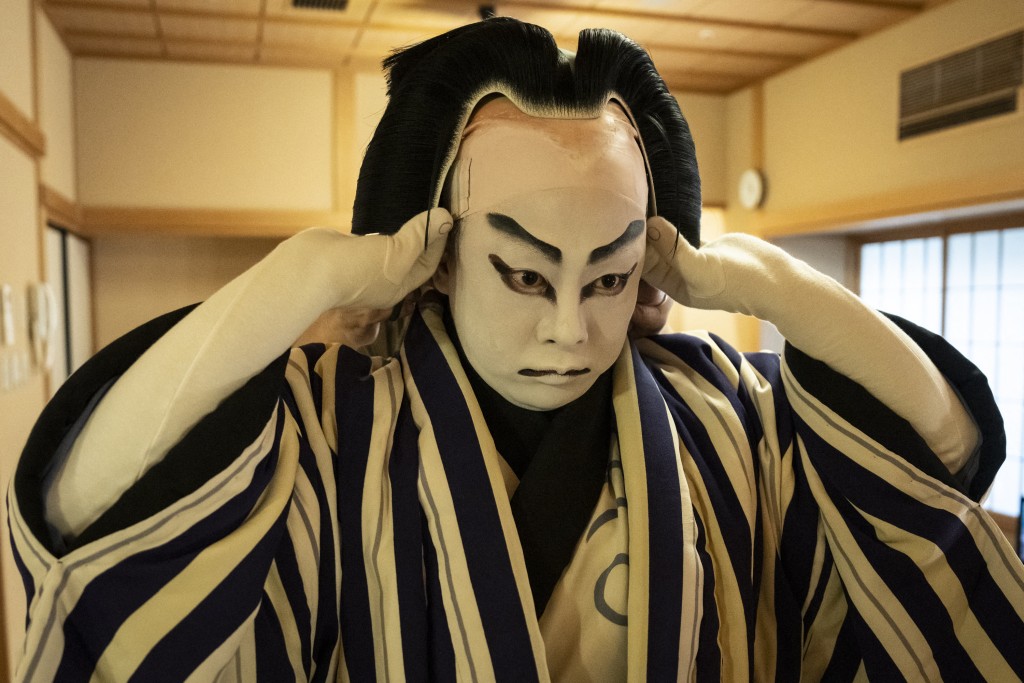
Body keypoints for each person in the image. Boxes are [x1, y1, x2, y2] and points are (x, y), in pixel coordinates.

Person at [9, 17, 1023, 682]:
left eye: (612, 274)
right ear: (439, 252)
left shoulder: (728, 415)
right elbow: (86, 520)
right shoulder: (325, 424)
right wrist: (301, 279)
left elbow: (937, 471)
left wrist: (769, 284)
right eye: (526, 273)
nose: (568, 325)